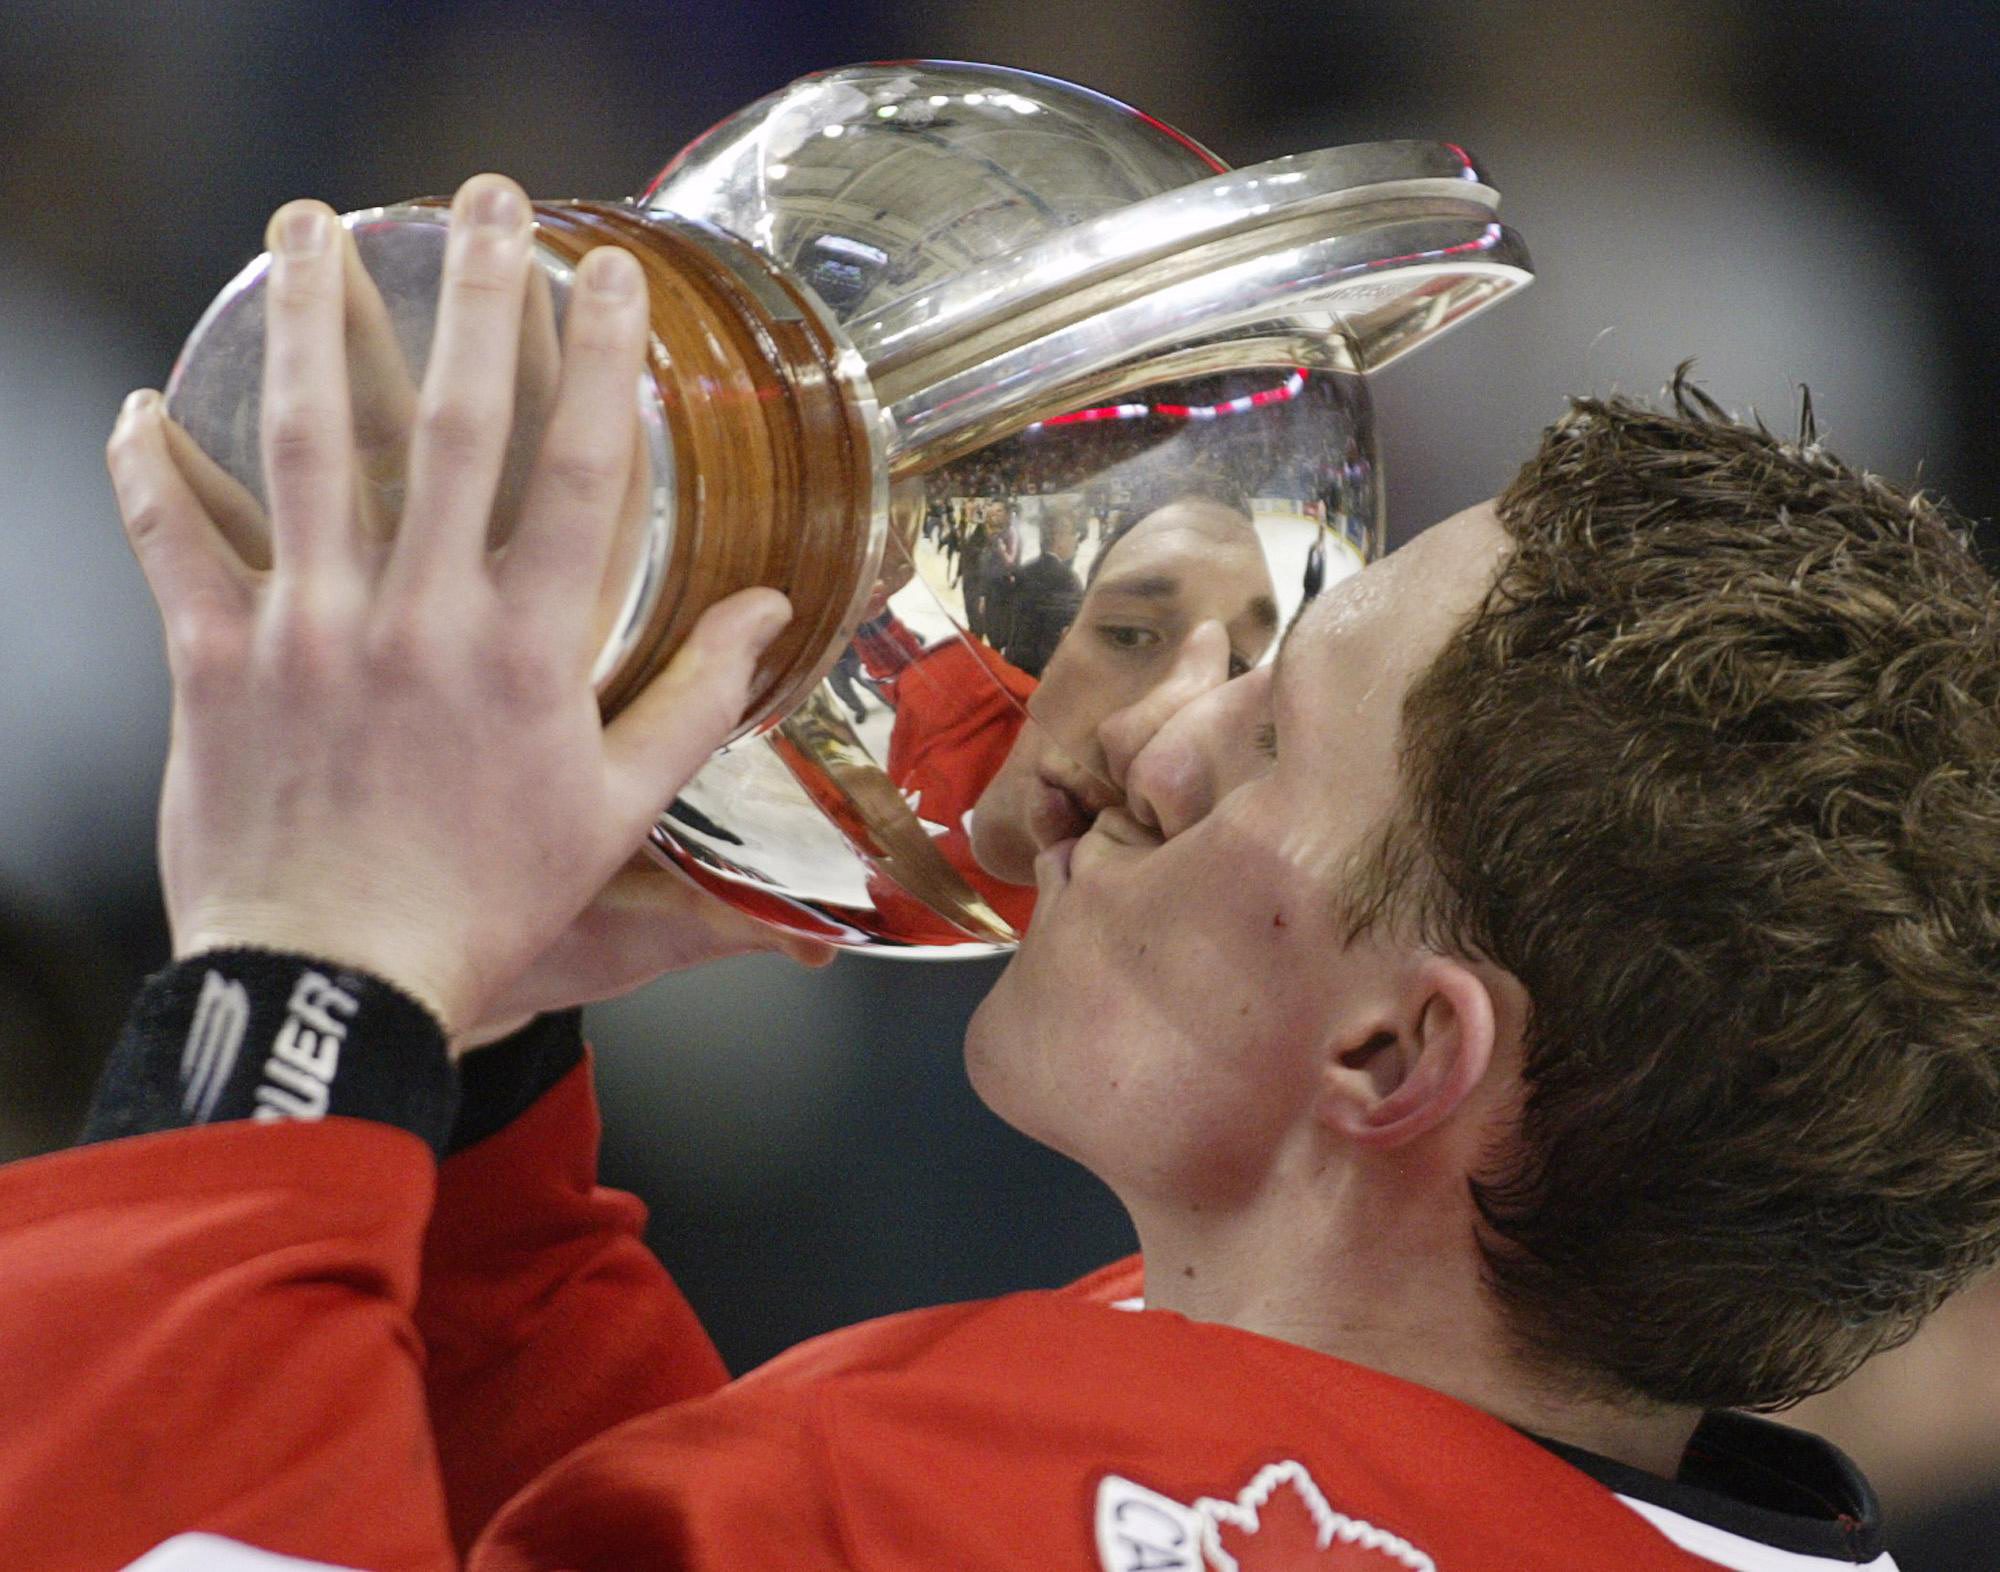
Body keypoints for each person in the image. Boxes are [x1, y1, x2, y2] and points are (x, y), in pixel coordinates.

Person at [3, 175, 1998, 1572]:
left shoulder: (953, 1510)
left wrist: (294, 978)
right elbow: (617, 1523)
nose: (1141, 730)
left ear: (1401, 1056)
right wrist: (463, 1074)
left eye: (1273, 732)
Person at [968, 488, 1278, 884]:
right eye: (1128, 634)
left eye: (1234, 668)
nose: (1142, 744)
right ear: (1060, 642)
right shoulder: (935, 701)